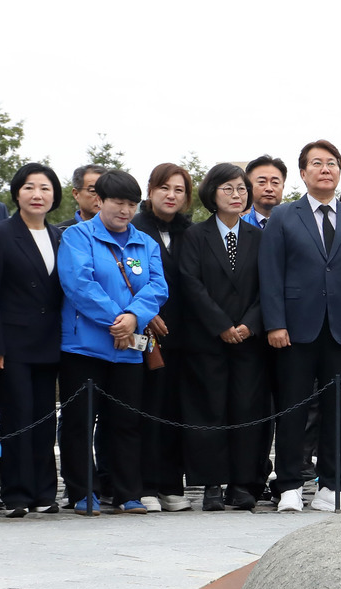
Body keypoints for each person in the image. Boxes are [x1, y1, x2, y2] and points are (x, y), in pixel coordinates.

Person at [259, 139, 341, 513]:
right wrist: (275, 323)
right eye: (317, 163)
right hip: (295, 329)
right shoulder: (283, 216)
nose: (325, 169)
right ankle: (290, 485)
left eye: (331, 163)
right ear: (303, 173)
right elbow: (270, 272)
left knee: (338, 412)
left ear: (339, 172)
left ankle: (332, 486)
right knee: (293, 409)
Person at [55, 170, 168, 514]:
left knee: (125, 422)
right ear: (99, 201)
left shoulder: (144, 243)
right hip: (84, 347)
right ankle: (82, 492)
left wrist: (134, 318)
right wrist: (118, 320)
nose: (125, 210)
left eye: (131, 203)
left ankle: (126, 492)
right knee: (78, 422)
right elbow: (79, 284)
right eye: (118, 202)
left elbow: (157, 287)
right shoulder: (77, 237)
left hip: (128, 349)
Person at [175, 163, 267, 511]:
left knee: (246, 409)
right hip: (207, 339)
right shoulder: (195, 236)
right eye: (228, 188)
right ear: (212, 193)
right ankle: (212, 483)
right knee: (207, 410)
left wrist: (248, 324)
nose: (236, 195)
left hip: (249, 340)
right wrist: (220, 324)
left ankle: (243, 484)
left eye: (242, 189)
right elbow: (190, 284)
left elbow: (268, 286)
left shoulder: (259, 237)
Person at [0, 164, 64, 516]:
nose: (37, 194)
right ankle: (16, 494)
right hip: (12, 345)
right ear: (17, 194)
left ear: (54, 196)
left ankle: (45, 492)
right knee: (18, 417)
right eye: (29, 187)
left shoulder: (61, 236)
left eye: (44, 188)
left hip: (50, 342)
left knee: (46, 419)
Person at [131, 163, 195, 512]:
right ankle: (145, 484)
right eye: (165, 188)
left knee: (176, 410)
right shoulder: (135, 228)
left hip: (185, 335)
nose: (171, 195)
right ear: (150, 190)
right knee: (146, 410)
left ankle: (172, 483)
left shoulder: (191, 232)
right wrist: (145, 312)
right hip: (146, 334)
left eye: (179, 189)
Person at [242, 155, 286, 229]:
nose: (269, 188)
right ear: (249, 186)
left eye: (275, 182)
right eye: (262, 182)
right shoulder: (239, 227)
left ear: (283, 187)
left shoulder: (297, 225)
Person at [58, 164, 105, 230]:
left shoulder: (121, 231)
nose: (100, 198)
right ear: (76, 194)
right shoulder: (60, 233)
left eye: (105, 191)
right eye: (93, 191)